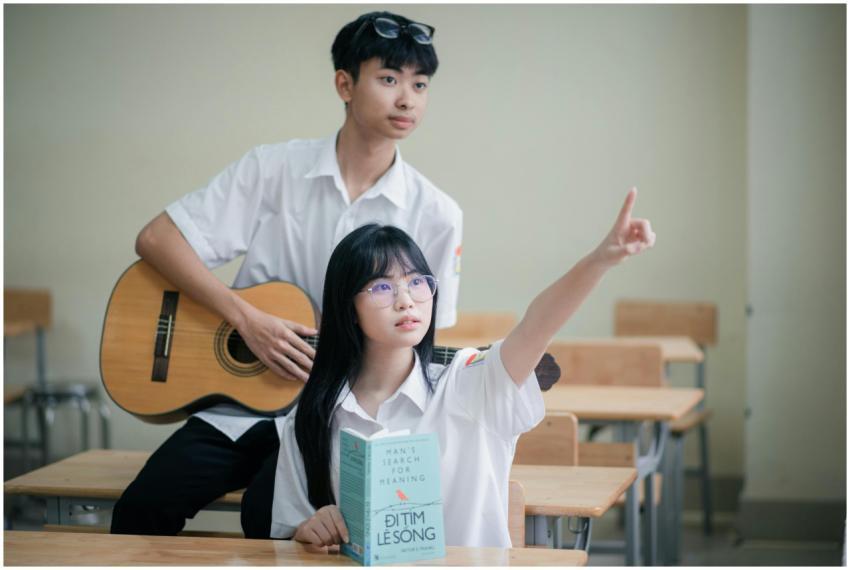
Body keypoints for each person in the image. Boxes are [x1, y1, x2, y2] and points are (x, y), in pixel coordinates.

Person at [111, 11, 463, 536]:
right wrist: (247, 320)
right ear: (344, 83)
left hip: (344, 418)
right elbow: (157, 239)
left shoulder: (436, 213)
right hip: (239, 407)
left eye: (420, 84)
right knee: (143, 507)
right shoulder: (272, 170)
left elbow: (425, 339)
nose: (407, 99)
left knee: (270, 521)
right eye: (389, 79)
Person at [243, 187, 656, 547]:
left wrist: (601, 261)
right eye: (383, 286)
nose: (407, 300)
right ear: (347, 308)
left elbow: (536, 325)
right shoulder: (315, 414)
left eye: (417, 282)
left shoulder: (468, 384)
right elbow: (291, 527)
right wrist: (310, 529)